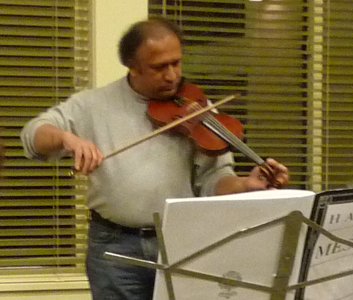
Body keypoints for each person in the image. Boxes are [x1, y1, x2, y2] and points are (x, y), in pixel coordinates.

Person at [21, 17, 289, 300]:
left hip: (181, 238)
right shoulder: (93, 105)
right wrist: (68, 139)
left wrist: (246, 185)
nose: (172, 75)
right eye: (160, 67)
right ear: (132, 67)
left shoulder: (196, 108)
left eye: (176, 63)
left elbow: (213, 181)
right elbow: (33, 134)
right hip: (114, 245)